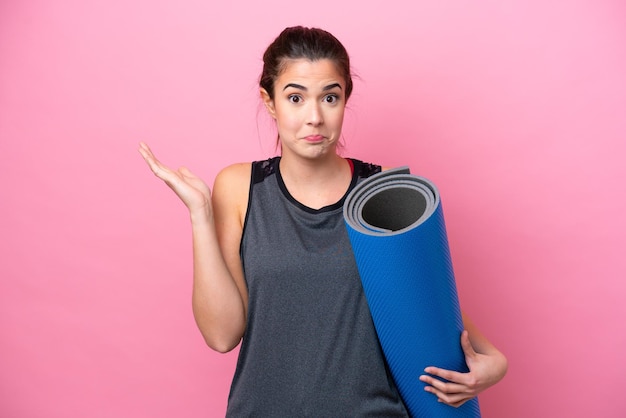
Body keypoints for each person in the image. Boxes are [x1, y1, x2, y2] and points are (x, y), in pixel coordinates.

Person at [139, 26, 507, 416]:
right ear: (269, 102)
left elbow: (428, 304)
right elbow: (221, 334)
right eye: (295, 98)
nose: (314, 117)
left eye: (329, 97)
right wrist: (200, 216)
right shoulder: (238, 187)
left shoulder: (384, 190)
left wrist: (495, 363)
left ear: (345, 98)